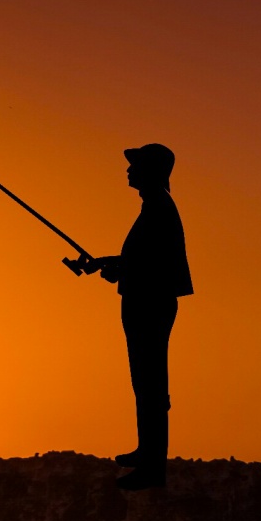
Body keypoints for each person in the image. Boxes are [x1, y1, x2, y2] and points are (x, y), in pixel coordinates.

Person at [76, 143, 192, 491]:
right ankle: (148, 453)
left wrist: (117, 268)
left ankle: (152, 468)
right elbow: (144, 260)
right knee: (146, 383)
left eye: (135, 165)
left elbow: (149, 264)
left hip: (149, 303)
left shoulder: (157, 208)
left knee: (150, 385)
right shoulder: (155, 207)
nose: (128, 170)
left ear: (151, 171)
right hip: (147, 300)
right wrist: (106, 265)